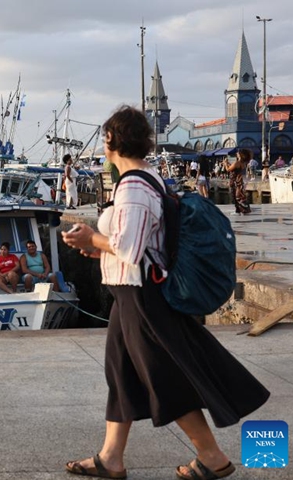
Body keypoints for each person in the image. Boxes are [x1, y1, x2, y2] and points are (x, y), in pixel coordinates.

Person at [62, 105, 269, 480]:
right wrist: (95, 247)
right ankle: (111, 458)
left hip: (143, 296)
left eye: (105, 136)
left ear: (112, 140)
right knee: (122, 373)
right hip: (129, 294)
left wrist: (93, 237)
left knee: (163, 378)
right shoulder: (142, 180)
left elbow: (129, 248)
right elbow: (134, 243)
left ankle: (211, 456)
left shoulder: (136, 187)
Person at [223, 149, 251, 215]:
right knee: (240, 195)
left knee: (234, 196)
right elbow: (233, 167)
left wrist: (225, 163)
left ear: (240, 155)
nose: (237, 154)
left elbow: (228, 169)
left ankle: (239, 210)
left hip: (234, 180)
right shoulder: (243, 163)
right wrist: (228, 164)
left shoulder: (237, 163)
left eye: (238, 153)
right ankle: (241, 209)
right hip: (239, 180)